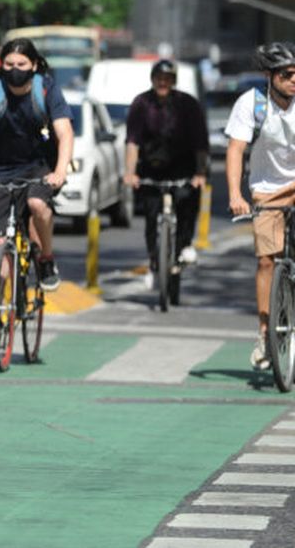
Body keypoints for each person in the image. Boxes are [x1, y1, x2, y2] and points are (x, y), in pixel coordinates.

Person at [0, 38, 74, 294]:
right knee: (0, 245)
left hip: (40, 166)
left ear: (33, 65)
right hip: (3, 170)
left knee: (36, 205)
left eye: (21, 63)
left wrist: (60, 171)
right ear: (1, 64)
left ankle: (46, 259)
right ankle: (0, 313)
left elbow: (65, 133)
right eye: (9, 63)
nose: (15, 69)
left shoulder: (46, 90)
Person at [225, 41, 295, 370]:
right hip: (267, 192)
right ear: (269, 76)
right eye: (286, 75)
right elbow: (236, 150)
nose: (294, 80)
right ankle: (265, 333)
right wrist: (235, 196)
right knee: (267, 261)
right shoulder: (251, 104)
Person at [122, 59, 208, 289]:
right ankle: (154, 260)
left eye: (168, 79)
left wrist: (200, 172)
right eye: (159, 78)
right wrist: (130, 173)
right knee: (150, 214)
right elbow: (132, 142)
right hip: (151, 167)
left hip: (183, 166)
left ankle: (184, 246)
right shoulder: (141, 103)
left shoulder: (188, 104)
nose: (163, 83)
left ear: (174, 81)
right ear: (153, 80)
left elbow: (201, 142)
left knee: (187, 199)